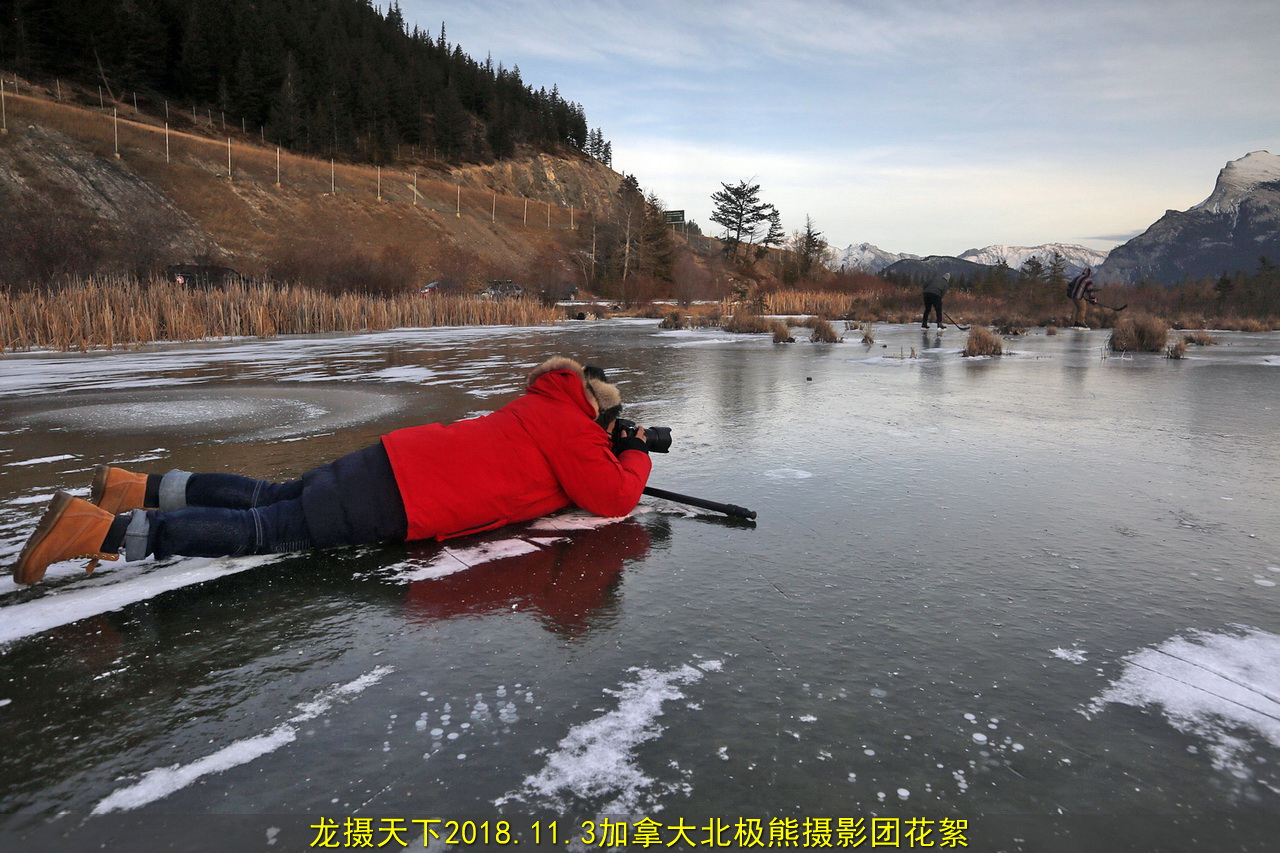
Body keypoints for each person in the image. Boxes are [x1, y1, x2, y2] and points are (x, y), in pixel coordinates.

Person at [11, 358, 653, 585]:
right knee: (268, 530)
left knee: (271, 496)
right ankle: (98, 532)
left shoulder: (538, 405)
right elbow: (613, 498)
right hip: (405, 498)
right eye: (612, 419)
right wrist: (635, 450)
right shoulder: (576, 430)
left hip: (394, 457)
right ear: (599, 410)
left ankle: (138, 486)